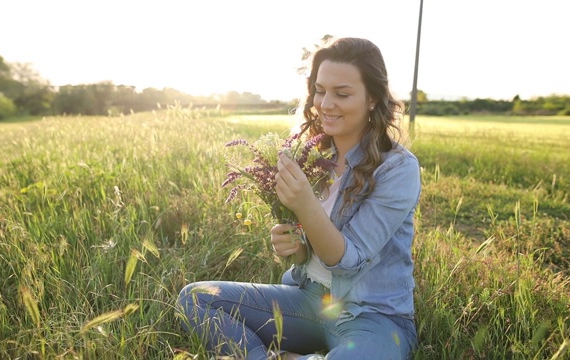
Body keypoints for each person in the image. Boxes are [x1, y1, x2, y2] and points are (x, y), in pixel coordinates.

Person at [177, 37, 421, 359]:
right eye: (320, 90)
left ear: (373, 98)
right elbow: (316, 257)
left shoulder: (398, 168)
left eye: (342, 93)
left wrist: (304, 203)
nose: (326, 104)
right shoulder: (314, 158)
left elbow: (348, 262)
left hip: (372, 317)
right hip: (311, 301)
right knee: (195, 298)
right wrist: (298, 247)